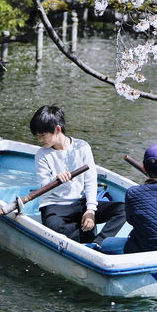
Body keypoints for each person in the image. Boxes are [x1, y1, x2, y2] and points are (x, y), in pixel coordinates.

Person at [30, 105, 126, 246]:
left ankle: (98, 243)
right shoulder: (41, 155)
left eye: (43, 135)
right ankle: (84, 234)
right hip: (54, 206)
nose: (40, 140)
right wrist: (55, 180)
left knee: (124, 209)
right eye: (37, 136)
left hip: (79, 203)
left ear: (57, 129)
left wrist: (90, 210)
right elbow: (44, 185)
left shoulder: (82, 147)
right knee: (55, 228)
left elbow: (91, 181)